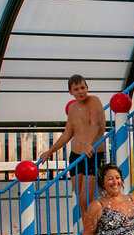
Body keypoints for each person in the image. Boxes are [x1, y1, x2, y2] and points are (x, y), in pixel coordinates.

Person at [37, 75, 106, 221]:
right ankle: (87, 232)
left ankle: (93, 231)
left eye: (83, 88)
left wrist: (89, 143)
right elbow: (67, 134)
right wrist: (50, 151)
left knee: (86, 198)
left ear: (87, 88)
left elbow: (96, 125)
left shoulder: (94, 101)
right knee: (81, 201)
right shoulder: (72, 108)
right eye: (76, 89)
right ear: (70, 92)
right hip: (76, 155)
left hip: (92, 154)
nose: (81, 91)